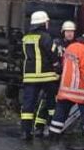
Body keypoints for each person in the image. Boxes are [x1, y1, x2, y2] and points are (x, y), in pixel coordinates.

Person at [48, 29, 84, 141]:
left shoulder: (70, 47)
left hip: (65, 88)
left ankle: (53, 134)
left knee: (60, 112)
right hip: (80, 90)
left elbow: (66, 64)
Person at [19, 11, 60, 140]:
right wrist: (57, 65)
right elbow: (52, 53)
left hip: (30, 76)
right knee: (51, 103)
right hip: (47, 75)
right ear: (43, 23)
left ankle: (26, 132)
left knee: (28, 104)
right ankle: (53, 130)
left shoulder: (26, 37)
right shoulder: (46, 37)